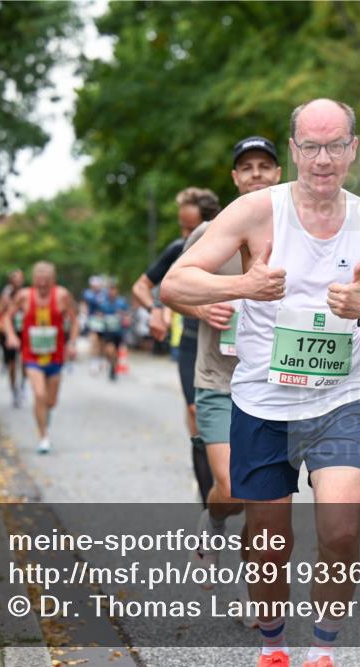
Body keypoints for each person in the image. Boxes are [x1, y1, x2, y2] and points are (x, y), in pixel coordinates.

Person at [162, 99, 360, 667]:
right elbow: (175, 285)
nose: (323, 160)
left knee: (341, 532)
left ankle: (323, 649)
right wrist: (243, 286)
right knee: (269, 543)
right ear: (295, 150)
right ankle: (274, 645)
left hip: (338, 402)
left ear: (352, 149)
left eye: (335, 146)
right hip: (262, 404)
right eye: (311, 147)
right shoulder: (256, 211)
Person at [169, 136, 282, 628]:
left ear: (277, 173)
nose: (256, 173)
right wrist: (201, 309)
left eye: (264, 165)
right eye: (246, 167)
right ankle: (213, 520)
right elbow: (172, 290)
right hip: (218, 379)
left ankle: (253, 592)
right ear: (235, 178)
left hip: (274, 382)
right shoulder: (209, 233)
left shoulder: (297, 229)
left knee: (262, 497)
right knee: (233, 488)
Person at [132, 187, 222, 505]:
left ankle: (223, 473)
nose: (185, 236)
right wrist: (155, 309)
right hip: (192, 342)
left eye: (190, 228)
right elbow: (141, 287)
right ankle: (207, 491)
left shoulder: (231, 245)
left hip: (229, 344)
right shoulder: (177, 249)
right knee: (196, 411)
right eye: (182, 228)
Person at [4, 262, 80, 454]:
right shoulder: (24, 296)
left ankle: (45, 414)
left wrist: (72, 343)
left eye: (47, 280)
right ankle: (43, 437)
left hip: (55, 356)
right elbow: (7, 317)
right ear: (34, 279)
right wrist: (11, 336)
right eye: (39, 280)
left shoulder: (62, 295)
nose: (43, 284)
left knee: (51, 402)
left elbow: (74, 320)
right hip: (32, 355)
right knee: (39, 394)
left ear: (53, 279)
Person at [0, 269, 27, 407]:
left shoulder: (26, 294)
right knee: (12, 364)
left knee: (25, 361)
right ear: (11, 281)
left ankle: (23, 385)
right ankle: (14, 390)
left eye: (20, 278)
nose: (18, 281)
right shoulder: (6, 294)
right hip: (9, 333)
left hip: (23, 331)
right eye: (15, 278)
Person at [98, 283, 130, 381]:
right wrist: (101, 318)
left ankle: (113, 368)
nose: (112, 292)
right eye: (110, 290)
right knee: (109, 350)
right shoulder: (104, 303)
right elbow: (99, 315)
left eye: (114, 290)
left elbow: (127, 315)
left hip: (118, 331)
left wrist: (123, 315)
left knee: (115, 351)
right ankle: (111, 363)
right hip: (108, 331)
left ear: (117, 291)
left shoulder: (121, 303)